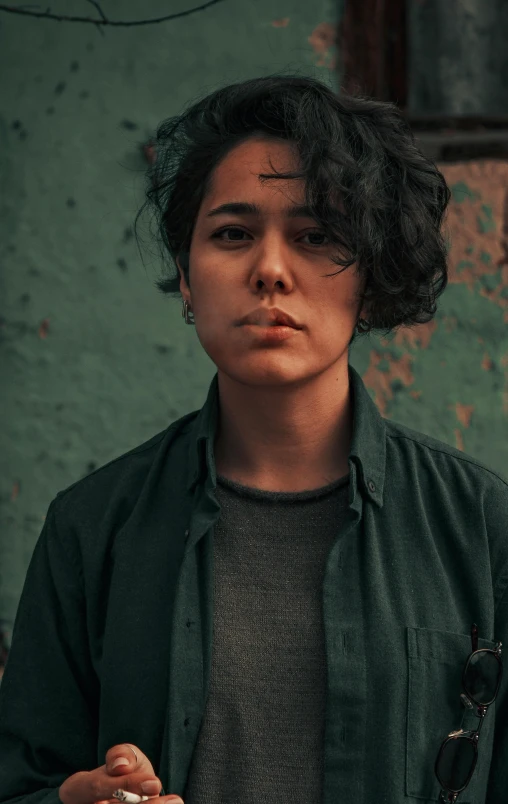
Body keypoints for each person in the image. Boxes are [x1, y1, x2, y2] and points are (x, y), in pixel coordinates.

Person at [0, 72, 506, 804]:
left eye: (316, 236)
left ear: (368, 273)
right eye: (233, 234)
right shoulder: (92, 529)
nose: (270, 270)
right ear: (185, 270)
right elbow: (24, 783)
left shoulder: (481, 527)